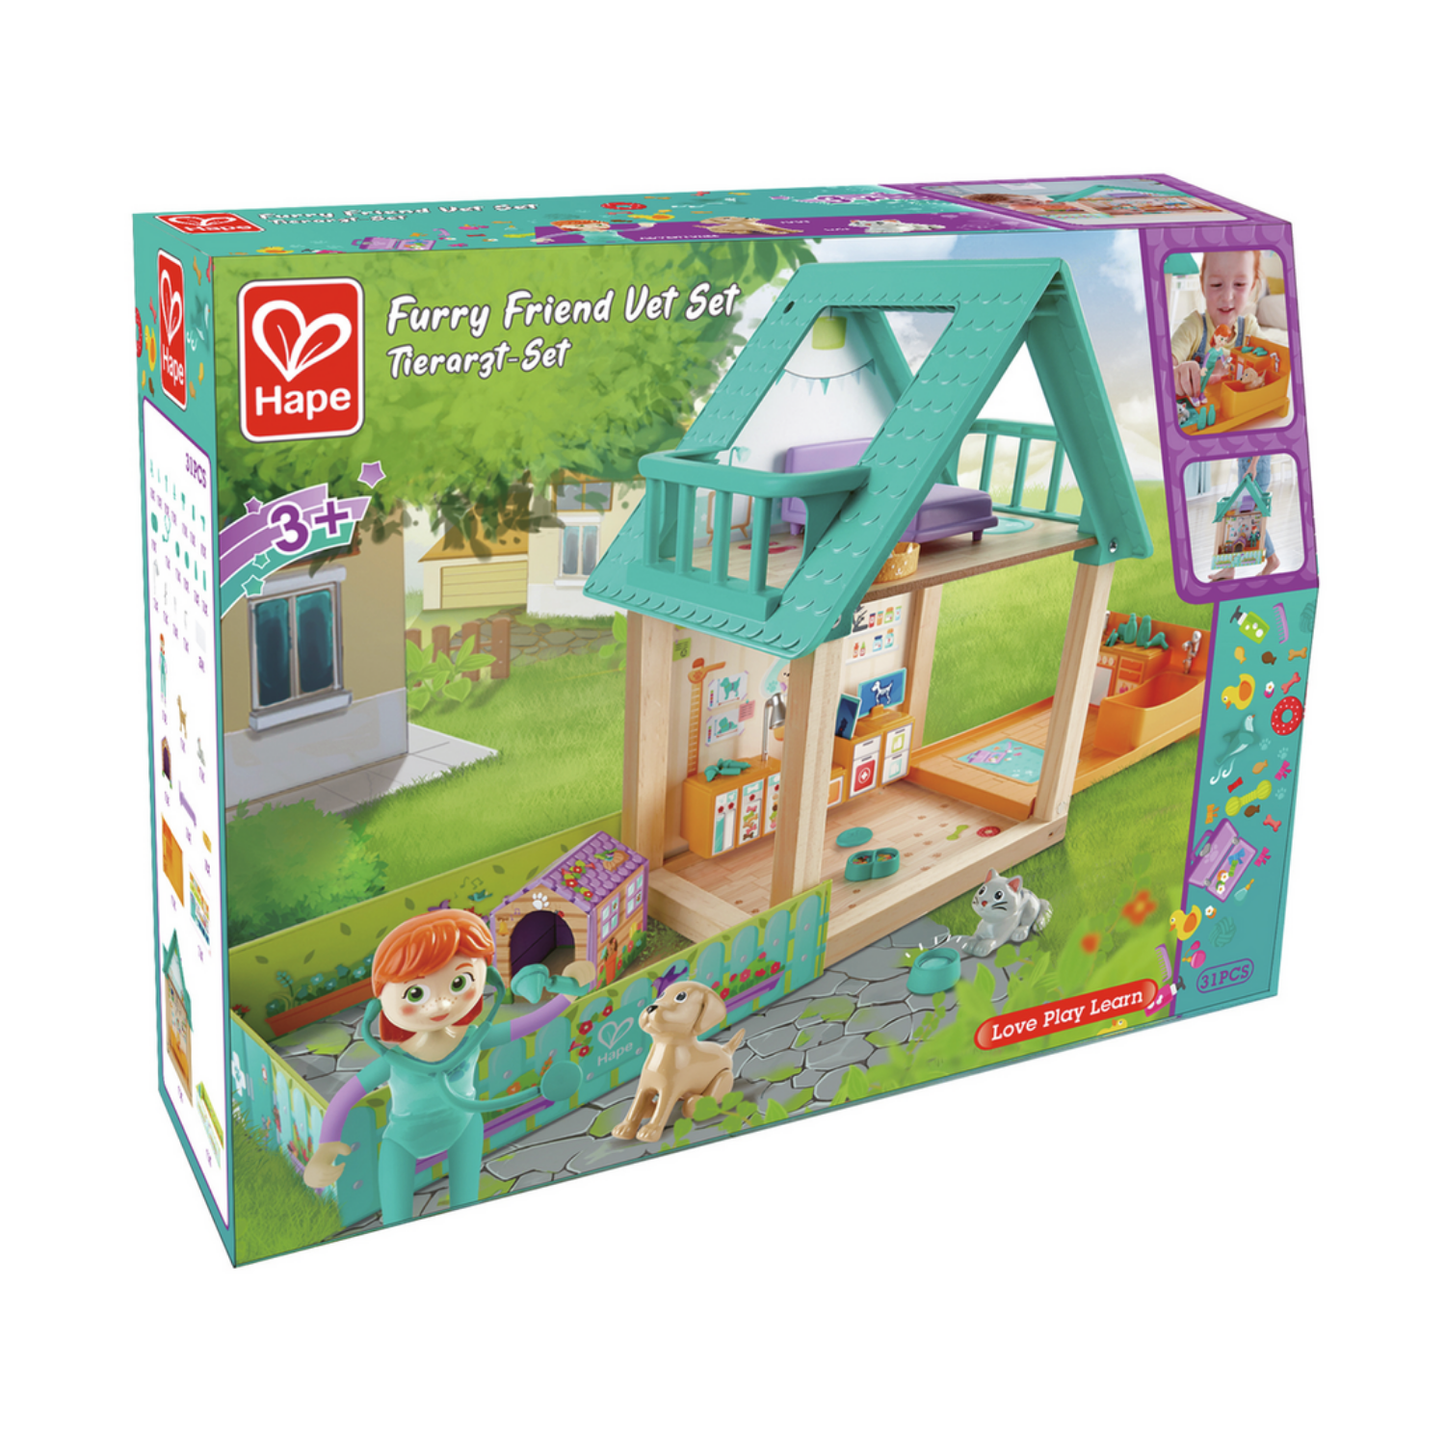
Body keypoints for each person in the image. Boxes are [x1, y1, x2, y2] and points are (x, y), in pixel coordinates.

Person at [302, 909, 576, 1226]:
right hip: (403, 1142)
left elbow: (531, 1022)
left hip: (464, 1127)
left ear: (487, 980)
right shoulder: (395, 1059)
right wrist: (325, 1147)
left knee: (466, 1207)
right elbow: (345, 1097)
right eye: (416, 993)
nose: (443, 1004)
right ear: (380, 1006)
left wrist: (568, 994)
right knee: (395, 1221)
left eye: (459, 982)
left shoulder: (474, 1037)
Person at [1172, 250, 1264, 400]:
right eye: (1216, 284)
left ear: (1251, 287)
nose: (1227, 297)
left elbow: (1273, 362)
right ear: (1203, 285)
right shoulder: (1193, 327)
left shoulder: (1250, 328)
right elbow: (1160, 369)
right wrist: (1176, 373)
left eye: (1239, 284)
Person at [1211, 455, 1280, 580]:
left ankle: (1272, 559)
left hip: (1255, 468)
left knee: (1251, 519)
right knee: (1244, 518)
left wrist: (1253, 464)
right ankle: (1230, 568)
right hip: (1246, 465)